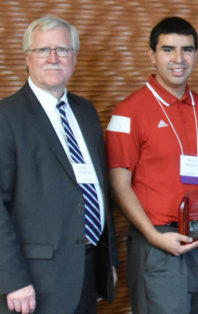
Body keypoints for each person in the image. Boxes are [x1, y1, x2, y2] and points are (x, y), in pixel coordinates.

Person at [106, 17, 198, 313]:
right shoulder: (128, 111)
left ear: (196, 55)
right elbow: (119, 184)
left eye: (187, 50)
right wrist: (153, 236)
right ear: (152, 55)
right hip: (157, 245)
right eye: (168, 49)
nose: (178, 58)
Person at [0, 16, 117, 314]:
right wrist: (12, 279)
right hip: (33, 283)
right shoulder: (6, 117)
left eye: (62, 50)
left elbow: (100, 190)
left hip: (86, 272)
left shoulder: (86, 112)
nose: (53, 58)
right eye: (43, 50)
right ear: (27, 58)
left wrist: (107, 263)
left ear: (74, 58)